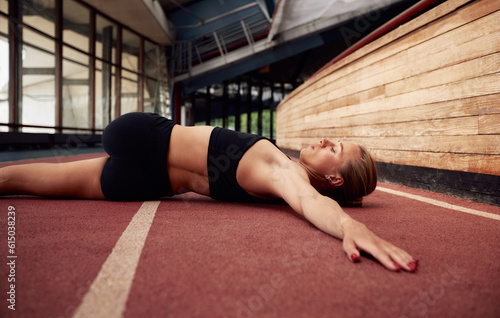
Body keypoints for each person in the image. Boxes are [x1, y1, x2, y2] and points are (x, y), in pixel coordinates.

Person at [0, 112, 418, 272]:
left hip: (146, 175)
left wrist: (348, 225)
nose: (326, 140)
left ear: (335, 180)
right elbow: (309, 200)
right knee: (19, 181)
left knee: (16, 180)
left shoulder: (283, 172)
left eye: (335, 150)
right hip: (149, 149)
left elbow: (311, 202)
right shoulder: (283, 182)